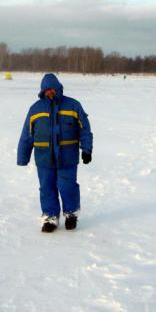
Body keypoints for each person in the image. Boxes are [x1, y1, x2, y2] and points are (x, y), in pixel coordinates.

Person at [17, 73, 93, 233]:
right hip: (44, 159)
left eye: (52, 89)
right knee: (47, 188)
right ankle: (50, 217)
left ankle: (71, 214)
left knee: (68, 187)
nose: (49, 92)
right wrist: (23, 156)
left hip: (67, 158)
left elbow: (85, 129)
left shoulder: (73, 106)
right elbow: (27, 135)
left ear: (58, 88)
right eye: (46, 90)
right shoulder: (35, 109)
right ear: (42, 91)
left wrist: (87, 149)